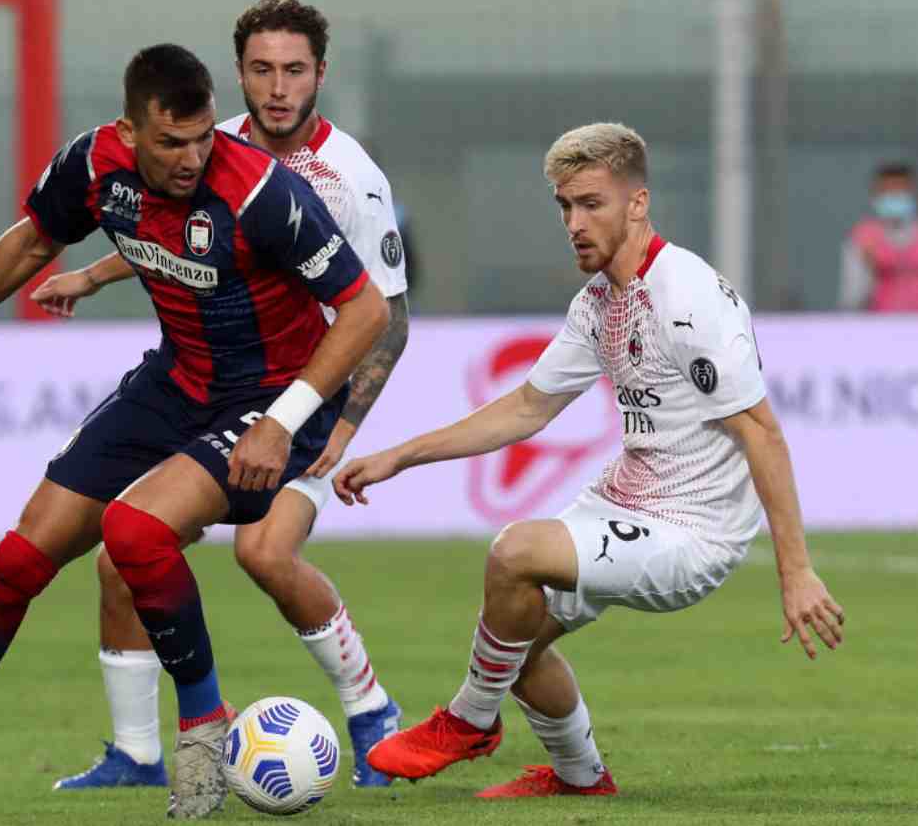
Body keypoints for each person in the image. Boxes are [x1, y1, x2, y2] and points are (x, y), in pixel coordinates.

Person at [0, 43, 389, 821]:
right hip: (178, 382)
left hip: (272, 399)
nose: (192, 157)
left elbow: (366, 311)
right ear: (129, 131)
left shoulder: (261, 190)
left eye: (203, 137)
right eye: (171, 142)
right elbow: (32, 241)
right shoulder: (93, 166)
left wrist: (282, 422)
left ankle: (203, 729)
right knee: (17, 559)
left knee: (135, 531)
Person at [335, 122, 845, 799]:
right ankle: (581, 777)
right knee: (514, 632)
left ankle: (469, 719)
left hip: (693, 531)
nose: (575, 222)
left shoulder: (686, 296)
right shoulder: (598, 300)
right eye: (565, 206)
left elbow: (761, 431)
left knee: (514, 551)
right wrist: (400, 455)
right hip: (624, 499)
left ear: (637, 203)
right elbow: (526, 407)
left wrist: (797, 569)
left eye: (591, 204)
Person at [36, 0, 410, 793]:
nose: (279, 88)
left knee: (265, 551)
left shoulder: (350, 178)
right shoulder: (212, 145)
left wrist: (339, 425)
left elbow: (388, 318)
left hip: (301, 400)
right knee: (120, 556)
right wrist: (96, 273)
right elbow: (174, 239)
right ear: (239, 73)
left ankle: (371, 708)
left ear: (320, 75)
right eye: (264, 70)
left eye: (296, 70)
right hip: (213, 390)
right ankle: (135, 754)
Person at [839, 163, 918, 312]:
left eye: (901, 190)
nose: (895, 196)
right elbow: (851, 299)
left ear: (915, 194)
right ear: (875, 195)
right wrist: (868, 267)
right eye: (888, 191)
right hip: (880, 325)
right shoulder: (862, 238)